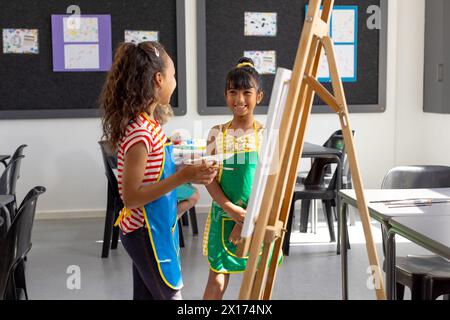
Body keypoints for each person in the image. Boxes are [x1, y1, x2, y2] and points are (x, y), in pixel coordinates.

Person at [99, 41, 218, 300]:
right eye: (173, 75)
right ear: (159, 79)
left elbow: (156, 171)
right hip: (144, 232)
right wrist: (182, 177)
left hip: (155, 226)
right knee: (170, 295)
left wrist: (188, 168)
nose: (175, 82)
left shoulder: (150, 124)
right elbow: (130, 197)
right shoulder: (140, 132)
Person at [202, 57, 265, 299]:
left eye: (246, 92)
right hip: (222, 215)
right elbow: (209, 179)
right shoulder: (215, 134)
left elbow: (271, 183)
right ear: (226, 95)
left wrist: (246, 220)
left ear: (258, 96)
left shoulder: (267, 135)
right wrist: (231, 210)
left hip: (257, 217)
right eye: (233, 92)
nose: (239, 99)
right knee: (217, 278)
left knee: (255, 281)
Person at [153, 104, 200, 219]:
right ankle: (170, 218)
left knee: (187, 182)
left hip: (160, 180)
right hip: (159, 184)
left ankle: (172, 218)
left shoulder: (154, 131)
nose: (161, 126)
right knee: (194, 195)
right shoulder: (152, 133)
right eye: (161, 123)